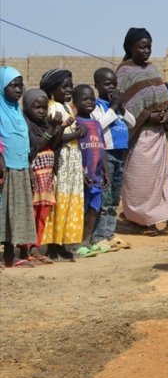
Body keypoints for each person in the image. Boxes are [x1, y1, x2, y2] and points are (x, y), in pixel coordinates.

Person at [117, 28, 168, 235]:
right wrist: (146, 115)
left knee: (158, 180)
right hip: (139, 136)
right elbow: (122, 105)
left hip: (157, 135)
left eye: (149, 46)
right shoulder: (124, 72)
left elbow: (166, 97)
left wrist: (167, 114)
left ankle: (153, 217)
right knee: (140, 181)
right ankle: (139, 220)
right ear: (130, 47)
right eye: (142, 46)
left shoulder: (153, 69)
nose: (147, 51)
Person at [40, 68, 85, 261]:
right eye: (64, 86)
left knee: (69, 202)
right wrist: (76, 134)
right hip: (62, 161)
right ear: (52, 89)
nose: (69, 90)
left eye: (71, 86)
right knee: (59, 202)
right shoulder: (52, 108)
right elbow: (54, 139)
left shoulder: (67, 107)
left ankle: (63, 244)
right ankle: (53, 245)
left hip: (73, 162)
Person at [91, 69, 134, 251]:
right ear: (97, 86)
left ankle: (109, 233)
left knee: (114, 197)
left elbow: (131, 122)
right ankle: (100, 236)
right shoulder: (96, 106)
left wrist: (121, 107)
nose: (112, 87)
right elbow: (99, 125)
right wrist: (113, 106)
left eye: (114, 84)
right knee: (106, 197)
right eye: (107, 84)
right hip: (106, 155)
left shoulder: (116, 107)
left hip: (120, 155)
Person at [0, 67, 37, 268]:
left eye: (20, 85)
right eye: (12, 85)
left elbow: (24, 141)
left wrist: (29, 168)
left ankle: (11, 255)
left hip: (21, 167)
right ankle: (6, 256)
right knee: (3, 212)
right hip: (5, 170)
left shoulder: (18, 113)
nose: (17, 89)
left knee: (15, 213)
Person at [22, 88, 60, 264]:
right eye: (37, 107)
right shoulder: (26, 125)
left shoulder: (46, 124)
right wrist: (51, 130)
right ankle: (25, 249)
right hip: (33, 175)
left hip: (46, 176)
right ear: (27, 106)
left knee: (43, 213)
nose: (42, 111)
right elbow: (35, 147)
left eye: (44, 108)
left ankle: (36, 246)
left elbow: (54, 143)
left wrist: (58, 128)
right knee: (31, 212)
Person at [72, 84, 108, 257]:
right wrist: (81, 172)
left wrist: (106, 171)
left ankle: (87, 241)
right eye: (85, 99)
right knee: (82, 210)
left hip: (97, 176)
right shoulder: (75, 124)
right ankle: (77, 243)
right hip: (83, 177)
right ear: (75, 102)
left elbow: (101, 149)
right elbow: (74, 151)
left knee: (94, 210)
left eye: (92, 99)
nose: (90, 102)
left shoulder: (96, 124)